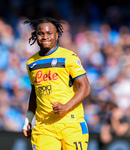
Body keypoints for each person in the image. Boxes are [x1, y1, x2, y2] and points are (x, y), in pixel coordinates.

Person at [22, 17, 91, 150]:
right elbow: (35, 92)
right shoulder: (31, 63)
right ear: (36, 35)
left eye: (49, 33)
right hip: (44, 126)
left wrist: (66, 106)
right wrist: (28, 119)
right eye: (41, 33)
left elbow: (85, 87)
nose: (45, 37)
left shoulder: (68, 57)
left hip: (71, 123)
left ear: (57, 35)